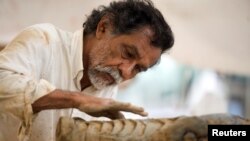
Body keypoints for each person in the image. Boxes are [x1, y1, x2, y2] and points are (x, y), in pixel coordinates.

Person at [0, 0, 174, 141]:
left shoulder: (107, 86)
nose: (126, 72)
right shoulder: (44, 40)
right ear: (103, 27)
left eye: (138, 69)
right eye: (127, 53)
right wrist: (77, 99)